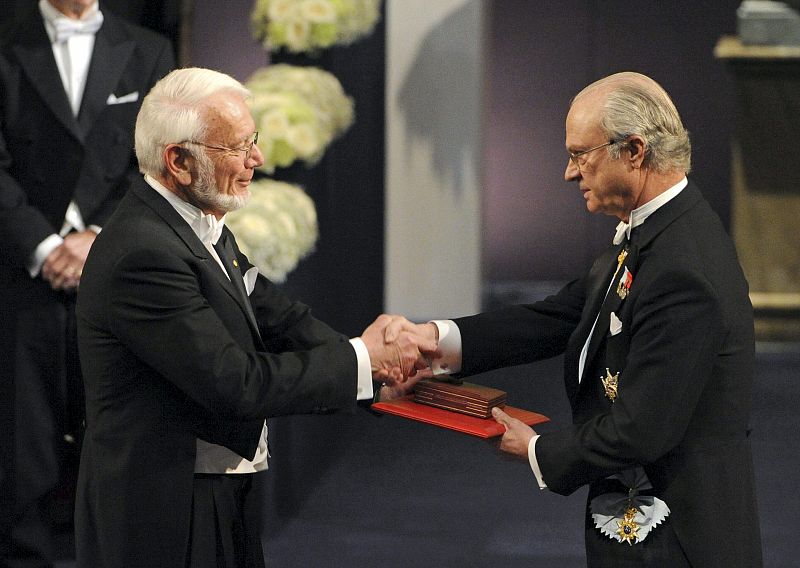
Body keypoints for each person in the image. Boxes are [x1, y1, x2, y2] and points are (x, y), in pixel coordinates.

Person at [385, 72, 762, 567]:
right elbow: (558, 316)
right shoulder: (657, 230)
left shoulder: (682, 267)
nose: (569, 173)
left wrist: (539, 451)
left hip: (679, 540)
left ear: (634, 151)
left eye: (580, 155)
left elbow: (642, 430)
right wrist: (435, 340)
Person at [73, 67, 434, 568]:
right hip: (166, 512)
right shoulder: (143, 253)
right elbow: (234, 382)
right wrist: (362, 360)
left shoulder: (197, 221)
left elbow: (276, 317)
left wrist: (374, 371)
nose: (256, 160)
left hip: (217, 489)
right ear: (178, 161)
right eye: (238, 147)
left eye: (254, 140)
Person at [0, 1, 174, 564]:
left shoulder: (149, 50)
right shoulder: (6, 40)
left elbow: (157, 161)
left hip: (114, 273)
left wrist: (98, 235)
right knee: (22, 440)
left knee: (113, 434)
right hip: (19, 272)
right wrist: (43, 246)